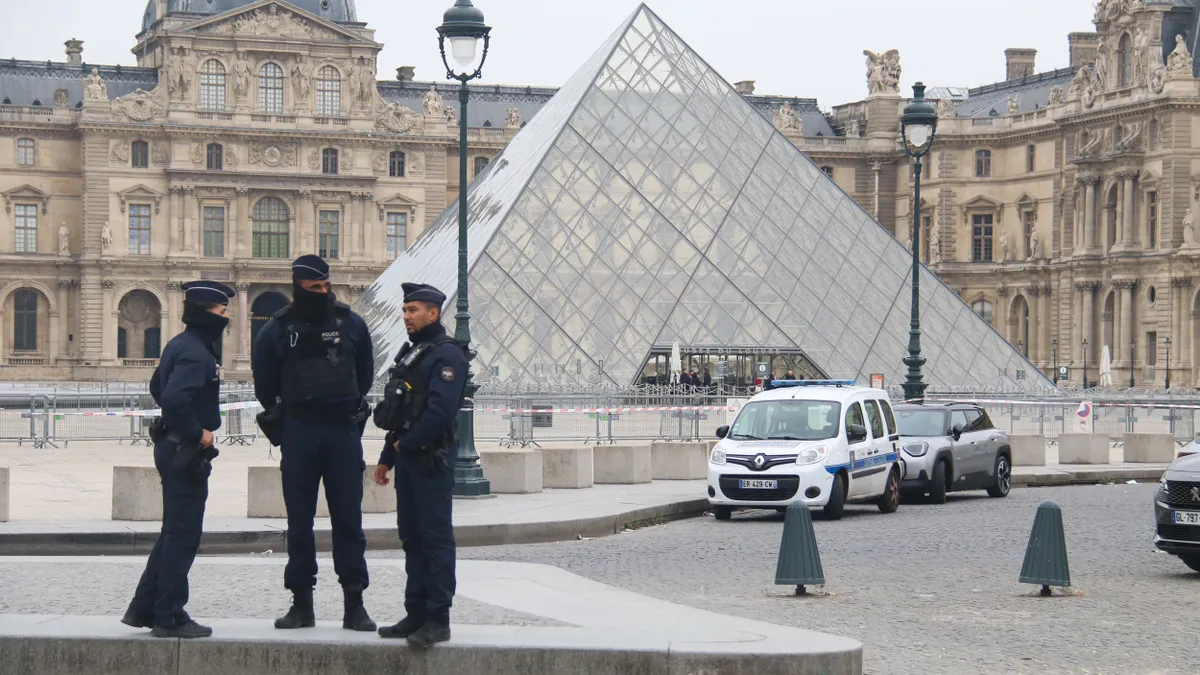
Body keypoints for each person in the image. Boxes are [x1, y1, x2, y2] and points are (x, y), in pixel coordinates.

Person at [251, 255, 376, 633]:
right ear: (298, 286)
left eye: (324, 286)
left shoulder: (351, 323)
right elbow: (264, 385)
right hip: (300, 432)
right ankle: (301, 603)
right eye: (313, 288)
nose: (321, 292)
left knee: (349, 523)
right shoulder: (276, 330)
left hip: (340, 432)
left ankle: (354, 603)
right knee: (299, 524)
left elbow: (364, 376)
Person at [122, 280, 233, 639]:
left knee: (171, 533)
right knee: (183, 536)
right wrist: (197, 432)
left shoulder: (180, 344)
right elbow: (172, 398)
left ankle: (145, 608)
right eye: (221, 311)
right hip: (184, 451)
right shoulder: (197, 352)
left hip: (171, 446)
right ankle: (169, 615)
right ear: (205, 314)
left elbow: (157, 387)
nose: (225, 317)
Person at [374, 283, 468, 648]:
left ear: (434, 313)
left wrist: (405, 444)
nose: (406, 316)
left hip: (431, 459)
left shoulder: (447, 356)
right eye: (405, 309)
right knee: (411, 537)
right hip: (410, 458)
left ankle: (438, 618)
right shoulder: (415, 354)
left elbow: (440, 412)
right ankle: (415, 612)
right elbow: (402, 411)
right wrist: (388, 456)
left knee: (434, 539)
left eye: (413, 310)